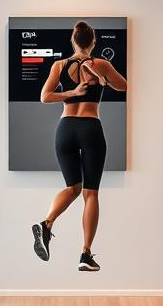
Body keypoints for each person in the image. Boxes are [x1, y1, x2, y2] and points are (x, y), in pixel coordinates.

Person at [32, 21, 127, 271]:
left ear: (74, 41)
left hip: (65, 130)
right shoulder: (100, 64)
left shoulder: (59, 65)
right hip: (90, 128)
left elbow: (45, 97)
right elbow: (124, 86)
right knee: (90, 193)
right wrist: (102, 78)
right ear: (93, 41)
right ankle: (85, 255)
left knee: (71, 188)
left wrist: (71, 93)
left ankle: (47, 222)